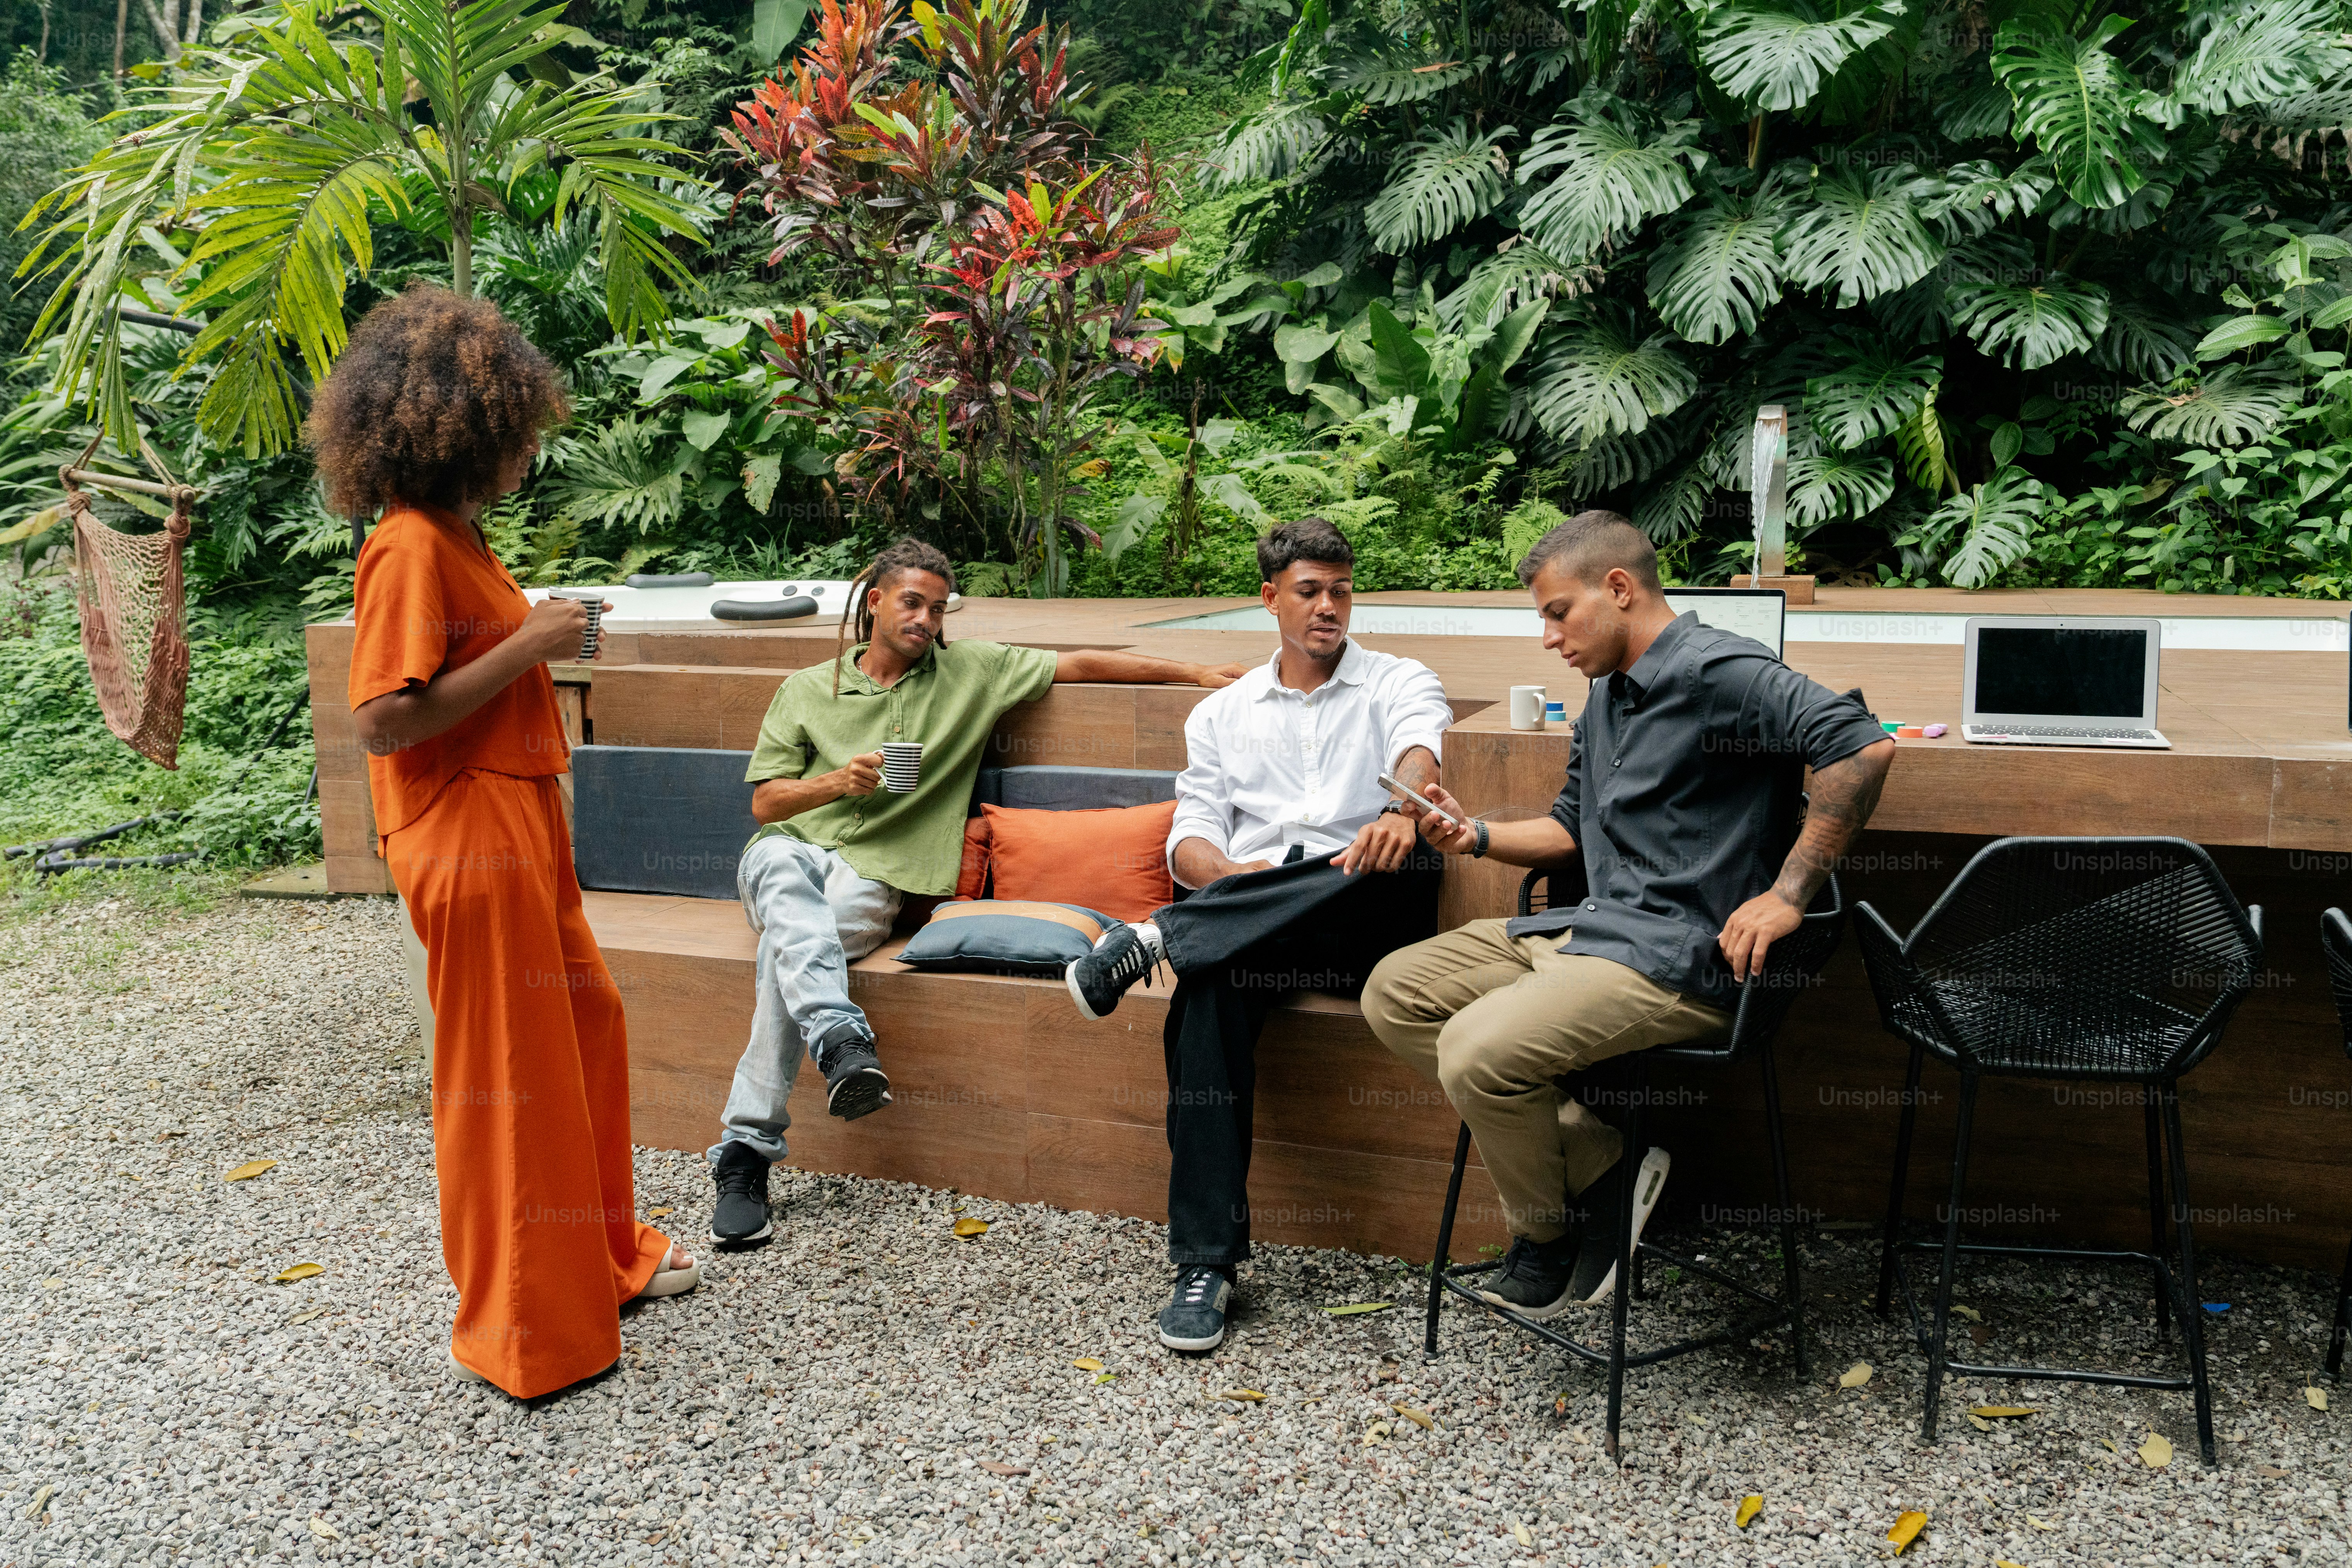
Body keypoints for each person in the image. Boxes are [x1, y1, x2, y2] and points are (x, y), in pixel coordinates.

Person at [1363, 510, 1894, 1319]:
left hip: (1680, 960)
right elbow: (1567, 828)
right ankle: (1605, 1165)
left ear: (1617, 589)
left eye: (1555, 612)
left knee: (1476, 1050)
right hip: (1592, 931)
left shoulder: (1720, 669)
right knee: (1392, 990)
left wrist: (1786, 894)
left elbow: (1860, 744)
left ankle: (1545, 1235)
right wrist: (1470, 835)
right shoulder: (1606, 694)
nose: (1548, 638)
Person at [324, 283, 695, 1399]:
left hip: (518, 823)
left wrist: (536, 636)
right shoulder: (406, 546)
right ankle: (527, 1335)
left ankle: (598, 1259)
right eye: (522, 433)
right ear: (467, 427)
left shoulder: (451, 533)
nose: (530, 450)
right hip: (466, 836)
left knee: (586, 1031)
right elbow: (385, 719)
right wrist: (537, 637)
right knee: (512, 1080)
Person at [707, 537, 1249, 1244]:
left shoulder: (973, 672)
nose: (926, 621)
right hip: (788, 854)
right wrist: (838, 781)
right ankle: (834, 1044)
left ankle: (746, 1153)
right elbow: (767, 806)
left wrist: (1197, 671)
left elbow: (1081, 663)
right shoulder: (806, 689)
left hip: (878, 877)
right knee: (785, 881)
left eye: (936, 609)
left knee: (793, 946)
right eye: (911, 603)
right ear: (875, 601)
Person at [1060, 518, 1454, 1352]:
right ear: (1269, 597)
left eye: (1340, 591)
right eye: (1309, 592)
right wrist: (1233, 885)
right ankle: (1205, 1263)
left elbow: (1420, 751)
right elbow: (1191, 835)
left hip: (1370, 921)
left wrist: (1398, 807)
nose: (1328, 607)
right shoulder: (1220, 714)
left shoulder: (1396, 679)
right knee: (1211, 987)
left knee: (1384, 857)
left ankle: (1160, 936)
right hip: (1258, 931)